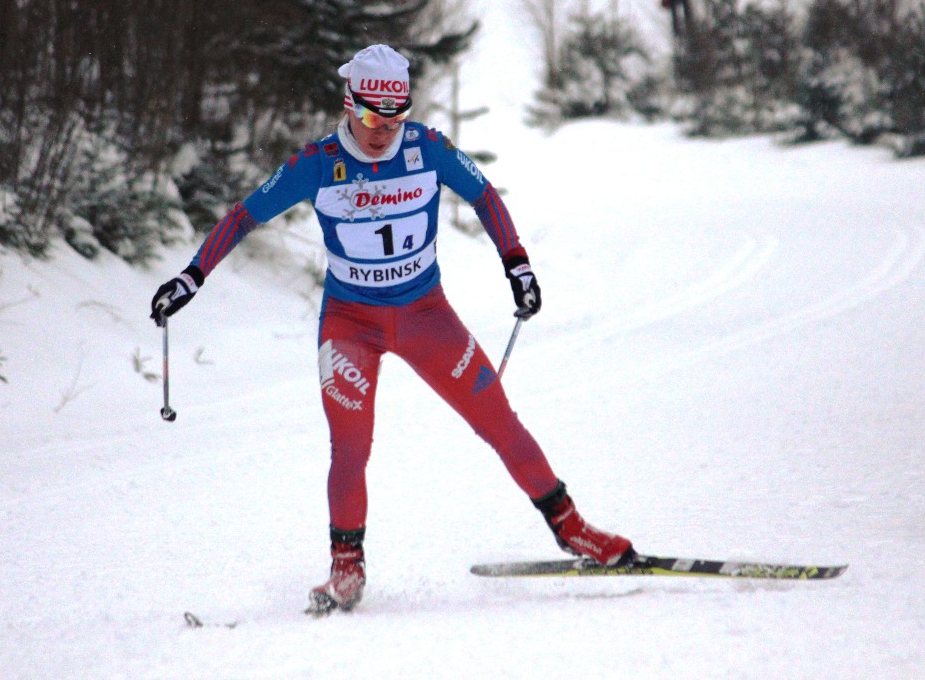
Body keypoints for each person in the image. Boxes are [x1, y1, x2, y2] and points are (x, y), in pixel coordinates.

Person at [150, 44, 635, 616]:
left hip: (426, 316)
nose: (383, 131)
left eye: (395, 117)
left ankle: (571, 527)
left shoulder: (427, 149)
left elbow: (482, 194)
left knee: (498, 420)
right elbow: (244, 214)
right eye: (373, 118)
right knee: (351, 445)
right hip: (351, 324)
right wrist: (192, 276)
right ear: (350, 103)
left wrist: (518, 264)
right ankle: (346, 569)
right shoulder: (318, 162)